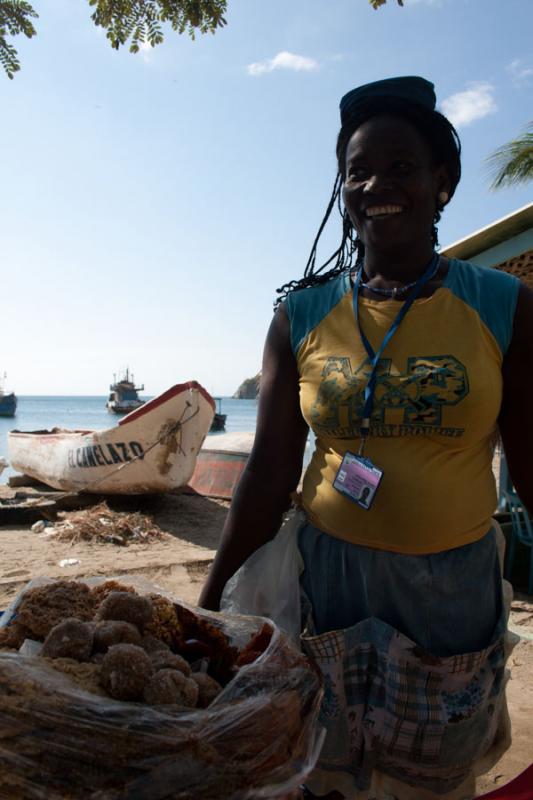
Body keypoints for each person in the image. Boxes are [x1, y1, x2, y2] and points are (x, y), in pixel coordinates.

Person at [199, 76, 533, 799]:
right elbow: (267, 473)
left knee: (431, 778)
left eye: (401, 168)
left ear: (441, 185)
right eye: (357, 171)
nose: (376, 184)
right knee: (320, 765)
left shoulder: (503, 305)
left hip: (452, 590)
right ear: (340, 189)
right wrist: (212, 595)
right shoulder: (303, 312)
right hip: (328, 584)